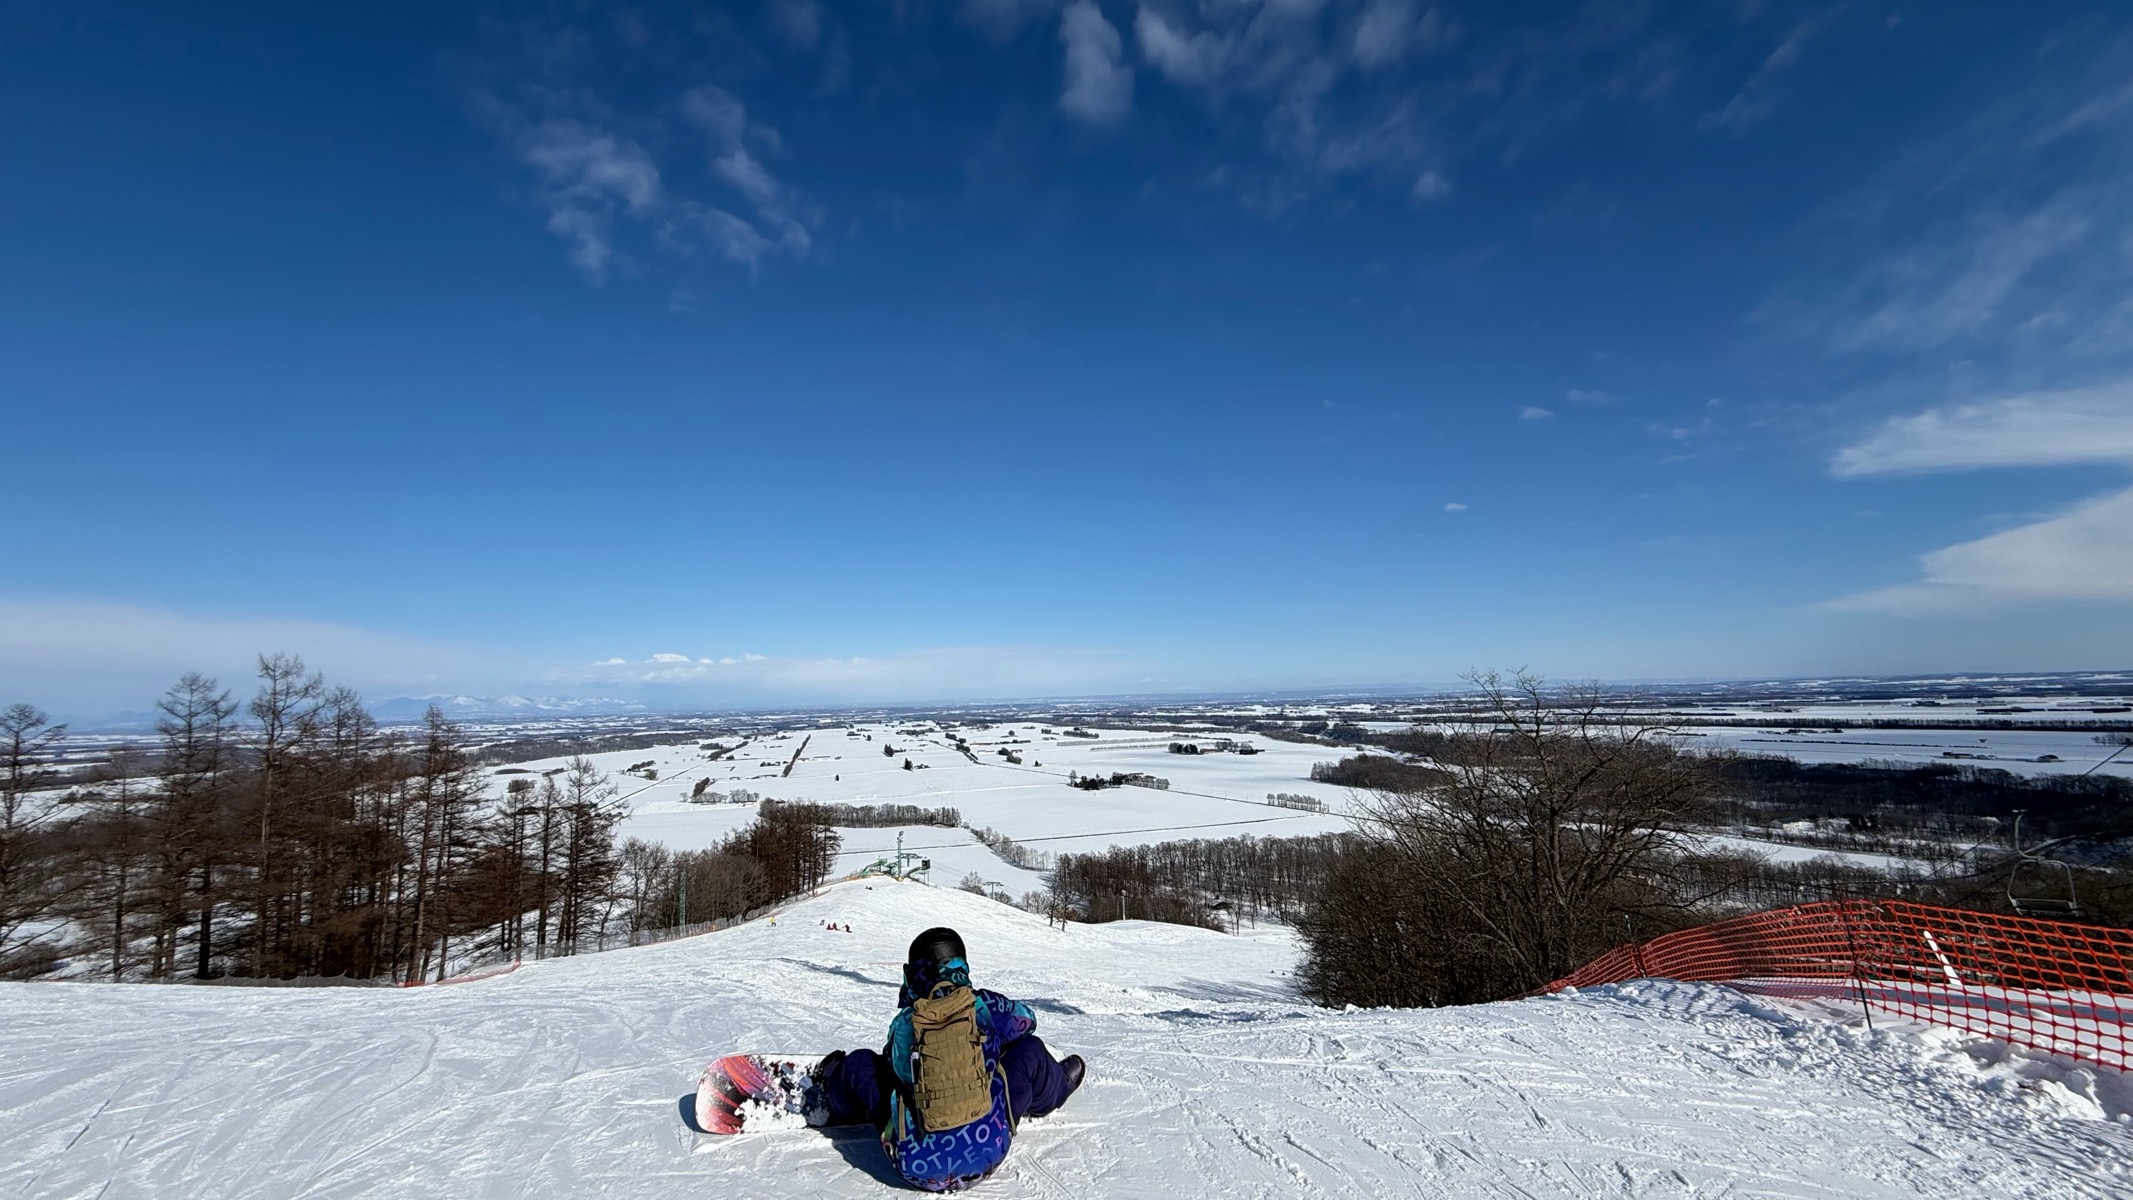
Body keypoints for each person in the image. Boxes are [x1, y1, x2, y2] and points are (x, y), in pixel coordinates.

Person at [815, 926, 1085, 1191]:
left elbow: (893, 1068)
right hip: (990, 1150)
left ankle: (835, 1098)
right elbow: (1028, 1021)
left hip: (914, 1166)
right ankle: (1057, 1087)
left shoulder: (906, 1023)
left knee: (864, 1064)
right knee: (1030, 1051)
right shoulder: (984, 1006)